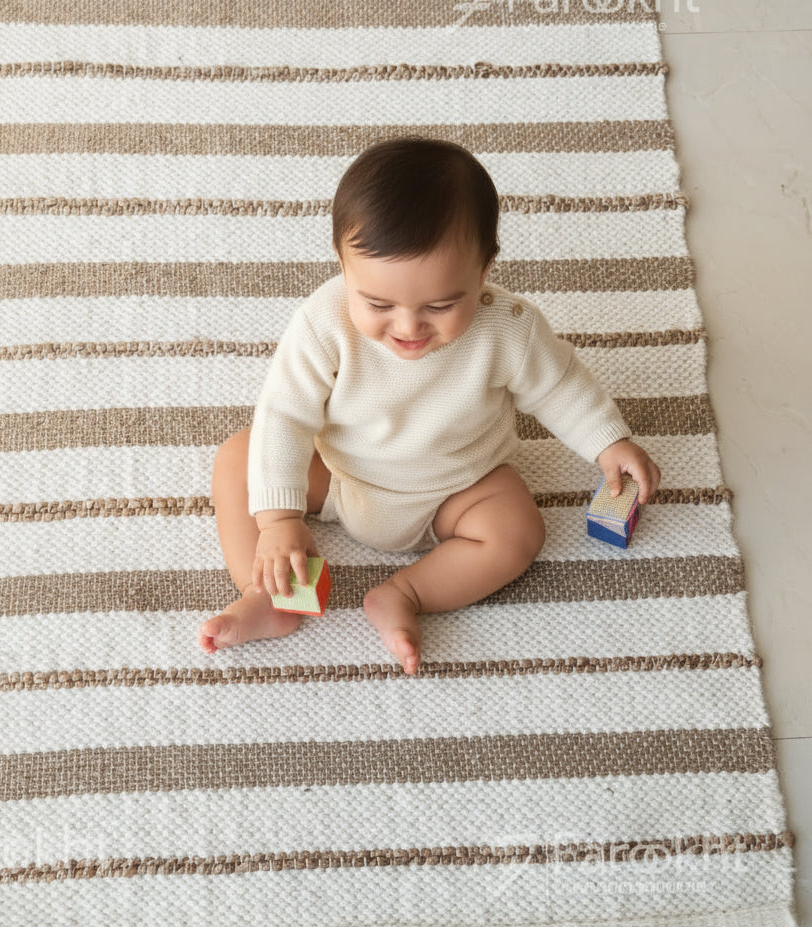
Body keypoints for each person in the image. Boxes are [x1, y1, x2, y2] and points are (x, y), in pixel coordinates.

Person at [198, 136, 661, 674]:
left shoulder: (509, 328)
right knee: (240, 457)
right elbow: (285, 414)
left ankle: (406, 595)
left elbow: (558, 386)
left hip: (457, 488)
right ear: (343, 266)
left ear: (485, 269)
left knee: (518, 531)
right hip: (342, 476)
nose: (408, 327)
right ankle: (267, 594)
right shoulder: (323, 322)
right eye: (378, 303)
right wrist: (277, 519)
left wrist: (608, 439)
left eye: (441, 305)